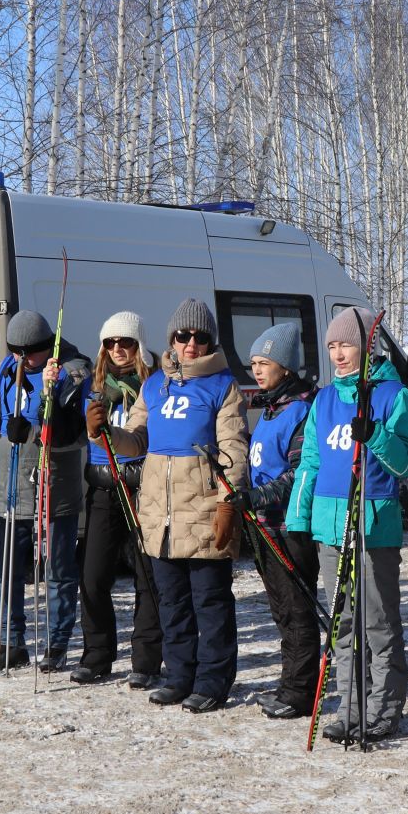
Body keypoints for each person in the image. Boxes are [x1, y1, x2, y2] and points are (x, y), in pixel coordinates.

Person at [93, 299, 248, 712]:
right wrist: (104, 432)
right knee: (172, 601)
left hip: (203, 510)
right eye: (183, 336)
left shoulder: (222, 386)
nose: (191, 344)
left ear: (211, 341)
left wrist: (229, 502)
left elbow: (233, 448)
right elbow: (136, 441)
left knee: (209, 602)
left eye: (200, 337)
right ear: (171, 340)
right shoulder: (154, 385)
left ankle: (212, 680)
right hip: (159, 515)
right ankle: (180, 675)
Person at [287, 306, 408, 743]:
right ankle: (350, 706)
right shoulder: (325, 399)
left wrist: (375, 436)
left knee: (378, 624)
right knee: (342, 624)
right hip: (331, 526)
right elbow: (310, 460)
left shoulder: (392, 395)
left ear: (368, 347)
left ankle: (384, 709)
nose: (339, 354)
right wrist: (298, 516)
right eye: (332, 346)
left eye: (347, 344)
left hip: (372, 524)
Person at [0, 309, 87, 671]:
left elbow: (75, 432)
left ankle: (57, 642)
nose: (22, 358)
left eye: (29, 352)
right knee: (3, 569)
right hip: (10, 484)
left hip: (54, 485)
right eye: (15, 350)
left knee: (58, 569)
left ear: (46, 345)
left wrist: (33, 431)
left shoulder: (71, 370)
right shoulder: (7, 369)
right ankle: (11, 642)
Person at [72, 311, 156, 686]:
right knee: (92, 577)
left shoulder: (154, 385)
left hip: (142, 486)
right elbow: (60, 423)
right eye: (110, 342)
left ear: (138, 345)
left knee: (146, 577)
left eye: (126, 342)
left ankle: (146, 660)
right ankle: (97, 655)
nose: (118, 349)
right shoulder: (93, 385)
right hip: (103, 486)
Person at [244, 320, 322, 719]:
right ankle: (290, 682)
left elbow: (297, 474)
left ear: (286, 368)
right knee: (280, 610)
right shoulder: (270, 410)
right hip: (264, 525)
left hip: (288, 527)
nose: (256, 370)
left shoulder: (301, 412)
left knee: (296, 609)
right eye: (254, 363)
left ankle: (301, 692)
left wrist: (258, 495)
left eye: (264, 363)